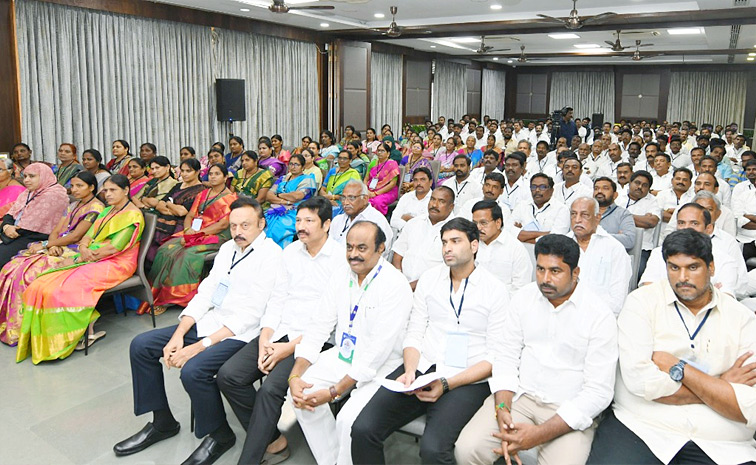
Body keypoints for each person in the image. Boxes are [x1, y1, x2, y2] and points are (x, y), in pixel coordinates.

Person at [114, 197, 282, 465]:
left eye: (246, 225)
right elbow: (205, 293)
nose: (238, 231)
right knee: (141, 346)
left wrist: (199, 347)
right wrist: (180, 333)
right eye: (234, 225)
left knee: (194, 371)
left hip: (241, 334)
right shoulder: (228, 249)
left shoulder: (272, 256)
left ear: (261, 224)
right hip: (211, 322)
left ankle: (220, 434)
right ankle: (163, 422)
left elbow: (251, 315)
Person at [588, 228, 756, 465]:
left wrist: (679, 369)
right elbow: (641, 382)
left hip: (721, 441)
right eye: (674, 267)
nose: (682, 277)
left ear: (711, 268)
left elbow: (750, 404)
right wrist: (721, 387)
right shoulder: (642, 302)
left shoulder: (741, 318)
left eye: (693, 267)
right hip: (643, 427)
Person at [351, 218, 509, 464]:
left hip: (467, 378)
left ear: (475, 245)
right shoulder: (429, 279)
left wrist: (446, 384)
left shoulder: (495, 290)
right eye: (445, 242)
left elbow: (495, 357)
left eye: (456, 241)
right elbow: (414, 332)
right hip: (423, 367)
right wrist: (411, 370)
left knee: (434, 450)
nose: (447, 248)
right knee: (363, 429)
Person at [456, 233, 617, 465]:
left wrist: (537, 435)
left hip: (566, 409)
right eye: (540, 269)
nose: (545, 279)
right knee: (468, 448)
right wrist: (501, 407)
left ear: (576, 273)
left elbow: (598, 392)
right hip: (519, 398)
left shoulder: (599, 315)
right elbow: (506, 356)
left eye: (555, 271)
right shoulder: (524, 298)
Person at [217, 197, 345, 465]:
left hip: (315, 342)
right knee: (229, 376)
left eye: (309, 221)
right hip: (280, 331)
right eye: (299, 220)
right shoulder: (290, 253)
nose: (301, 226)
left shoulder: (339, 260)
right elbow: (277, 299)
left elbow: (329, 320)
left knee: (270, 390)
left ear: (327, 224)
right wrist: (265, 338)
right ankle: (273, 438)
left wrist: (289, 347)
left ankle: (249, 459)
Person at [289, 220, 413, 465]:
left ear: (381, 249)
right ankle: (332, 461)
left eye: (362, 248)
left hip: (383, 365)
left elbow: (377, 352)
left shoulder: (395, 285)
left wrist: (335, 391)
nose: (353, 255)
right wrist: (295, 376)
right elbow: (318, 325)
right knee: (301, 395)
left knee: (348, 420)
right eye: (349, 247)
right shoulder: (341, 275)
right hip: (345, 355)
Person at [16, 174, 144, 363]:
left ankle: (65, 339)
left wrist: (83, 257)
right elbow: (87, 236)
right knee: (40, 283)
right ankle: (64, 333)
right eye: (106, 190)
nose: (107, 194)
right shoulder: (108, 210)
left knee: (59, 288)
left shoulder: (133, 215)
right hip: (92, 256)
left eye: (113, 190)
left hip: (117, 262)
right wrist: (83, 250)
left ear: (126, 191)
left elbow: (114, 248)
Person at [0, 171, 104, 346]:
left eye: (80, 186)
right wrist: (52, 243)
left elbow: (76, 236)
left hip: (76, 248)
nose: (75, 190)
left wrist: (48, 245)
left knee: (28, 274)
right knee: (13, 266)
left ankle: (30, 327)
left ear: (92, 187)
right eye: (73, 185)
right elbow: (57, 228)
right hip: (58, 245)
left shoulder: (96, 208)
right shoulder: (74, 204)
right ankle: (12, 324)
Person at [149, 164, 237, 312]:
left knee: (186, 255)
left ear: (225, 177)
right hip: (194, 232)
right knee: (165, 249)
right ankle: (157, 293)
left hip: (215, 236)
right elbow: (190, 215)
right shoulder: (203, 194)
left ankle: (178, 297)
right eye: (211, 174)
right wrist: (188, 229)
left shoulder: (231, 199)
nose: (213, 177)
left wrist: (197, 234)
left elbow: (222, 225)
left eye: (217, 174)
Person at [640, 202, 745, 299]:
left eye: (694, 223)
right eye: (681, 223)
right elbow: (649, 293)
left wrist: (666, 290)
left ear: (708, 229)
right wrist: (707, 294)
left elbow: (724, 301)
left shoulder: (725, 261)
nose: (686, 228)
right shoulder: (658, 254)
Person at [567, 197, 631, 316]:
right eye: (573, 214)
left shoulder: (614, 249)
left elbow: (618, 300)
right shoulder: (561, 246)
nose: (577, 220)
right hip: (564, 315)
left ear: (597, 218)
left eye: (584, 215)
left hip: (600, 318)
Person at [0, 163, 69, 267]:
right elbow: (10, 213)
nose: (26, 180)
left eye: (32, 176)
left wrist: (9, 230)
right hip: (17, 233)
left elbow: (32, 227)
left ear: (44, 176)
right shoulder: (29, 192)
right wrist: (6, 226)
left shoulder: (55, 194)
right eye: (25, 176)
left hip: (36, 237)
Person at [143, 158, 205, 265]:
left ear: (197, 171)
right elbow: (160, 204)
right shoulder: (177, 186)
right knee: (147, 245)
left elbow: (182, 212)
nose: (184, 174)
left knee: (164, 251)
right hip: (163, 222)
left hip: (179, 226)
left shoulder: (200, 190)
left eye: (188, 171)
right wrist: (172, 209)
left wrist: (169, 204)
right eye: (183, 171)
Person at [392, 186, 455, 290]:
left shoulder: (456, 231)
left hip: (432, 289)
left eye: (441, 201)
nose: (434, 205)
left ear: (451, 207)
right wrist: (399, 278)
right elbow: (398, 253)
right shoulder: (414, 223)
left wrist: (410, 287)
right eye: (432, 199)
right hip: (401, 284)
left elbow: (447, 269)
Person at [471, 200, 532, 292]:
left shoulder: (516, 249)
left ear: (498, 223)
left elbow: (521, 288)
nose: (478, 228)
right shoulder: (470, 244)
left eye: (483, 223)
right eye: (475, 223)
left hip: (504, 304)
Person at [265, 154, 318, 248]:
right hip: (276, 209)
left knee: (278, 228)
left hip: (296, 211)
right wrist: (283, 201)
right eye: (291, 164)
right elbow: (269, 195)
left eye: (296, 164)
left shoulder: (308, 179)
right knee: (262, 223)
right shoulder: (283, 178)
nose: (293, 167)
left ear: (303, 166)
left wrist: (278, 195)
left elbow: (297, 196)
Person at [617, 170, 662, 275]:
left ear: (649, 189)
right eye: (637, 183)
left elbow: (651, 222)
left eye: (644, 185)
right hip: (615, 243)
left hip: (642, 247)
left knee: (639, 271)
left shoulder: (652, 201)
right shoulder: (618, 196)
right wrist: (640, 219)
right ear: (630, 183)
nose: (640, 187)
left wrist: (620, 216)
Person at [507, 173, 571, 244]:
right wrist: (544, 234)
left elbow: (556, 238)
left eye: (542, 187)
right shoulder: (522, 205)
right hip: (520, 252)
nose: (537, 190)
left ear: (552, 190)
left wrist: (522, 235)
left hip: (548, 252)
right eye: (533, 187)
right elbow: (508, 230)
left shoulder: (561, 209)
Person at [330, 180, 393, 248]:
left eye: (351, 198)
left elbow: (378, 254)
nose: (346, 202)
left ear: (365, 199)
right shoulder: (338, 220)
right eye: (343, 198)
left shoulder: (377, 221)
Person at [593, 176, 637, 250]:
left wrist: (597, 236)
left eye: (605, 188)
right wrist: (615, 237)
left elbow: (629, 241)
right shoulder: (586, 212)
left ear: (615, 195)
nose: (599, 191)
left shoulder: (623, 214)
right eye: (596, 188)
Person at [391, 167, 433, 235]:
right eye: (415, 180)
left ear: (430, 182)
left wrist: (407, 219)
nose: (418, 183)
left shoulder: (435, 200)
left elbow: (428, 226)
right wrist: (410, 225)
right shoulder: (406, 197)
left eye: (423, 180)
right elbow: (393, 220)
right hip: (402, 237)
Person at [364, 142, 400, 215]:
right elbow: (366, 179)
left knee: (378, 201)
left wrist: (375, 193)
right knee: (361, 199)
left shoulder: (392, 164)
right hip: (370, 189)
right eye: (378, 150)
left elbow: (392, 184)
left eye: (382, 151)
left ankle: (379, 221)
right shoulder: (373, 163)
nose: (380, 153)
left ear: (388, 153)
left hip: (388, 191)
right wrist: (365, 190)